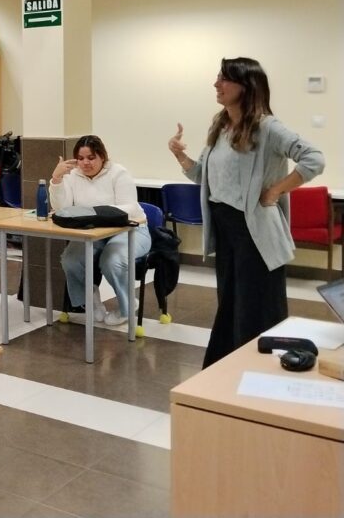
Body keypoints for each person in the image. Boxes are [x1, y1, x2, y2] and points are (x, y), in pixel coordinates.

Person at [169, 57, 324, 367]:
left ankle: (258, 371)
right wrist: (180, 156)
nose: (216, 84)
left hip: (254, 230)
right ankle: (227, 369)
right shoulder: (221, 127)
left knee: (255, 307)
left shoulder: (267, 127)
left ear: (246, 85)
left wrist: (277, 190)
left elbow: (314, 159)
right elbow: (204, 177)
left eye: (224, 79)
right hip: (226, 229)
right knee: (230, 304)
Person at [50, 135, 152, 326]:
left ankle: (127, 306)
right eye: (80, 158)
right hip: (94, 232)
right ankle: (92, 302)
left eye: (91, 157)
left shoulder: (118, 173)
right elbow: (61, 207)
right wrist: (56, 179)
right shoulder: (72, 176)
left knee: (112, 261)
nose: (85, 163)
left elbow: (130, 208)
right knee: (71, 261)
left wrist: (93, 213)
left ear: (102, 157)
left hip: (130, 230)